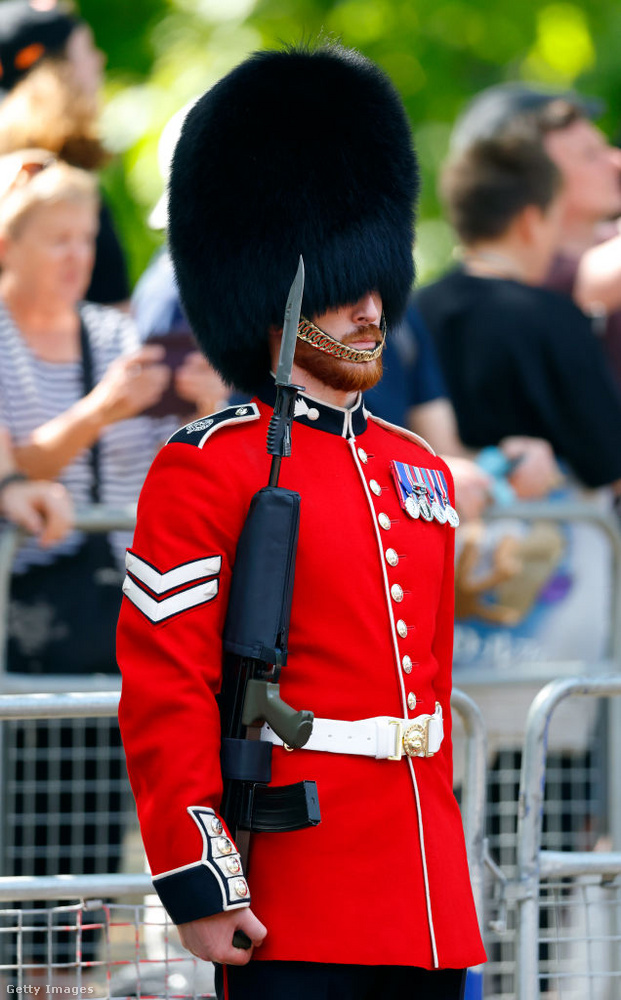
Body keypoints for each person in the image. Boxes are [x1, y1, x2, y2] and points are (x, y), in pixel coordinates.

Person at [117, 42, 486, 1000]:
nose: (370, 309)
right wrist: (202, 876)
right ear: (270, 286)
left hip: (423, 887)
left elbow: (429, 688)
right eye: (337, 282)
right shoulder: (211, 465)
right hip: (297, 883)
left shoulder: (414, 467)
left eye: (377, 280)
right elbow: (168, 685)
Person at [0, 146, 174, 972]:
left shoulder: (117, 331)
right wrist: (103, 409)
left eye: (85, 237)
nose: (78, 256)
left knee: (95, 844)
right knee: (23, 833)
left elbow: (163, 459)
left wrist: (201, 398)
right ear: (11, 243)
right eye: (57, 239)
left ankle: (68, 979)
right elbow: (17, 462)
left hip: (111, 618)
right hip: (26, 620)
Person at [451, 83, 621, 382]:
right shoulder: (519, 282)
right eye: (590, 155)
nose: (615, 161)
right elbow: (588, 279)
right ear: (530, 174)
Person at [0, 0, 130, 307]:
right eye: (86, 50)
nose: (99, 60)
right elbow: (115, 312)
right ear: (59, 73)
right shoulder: (62, 189)